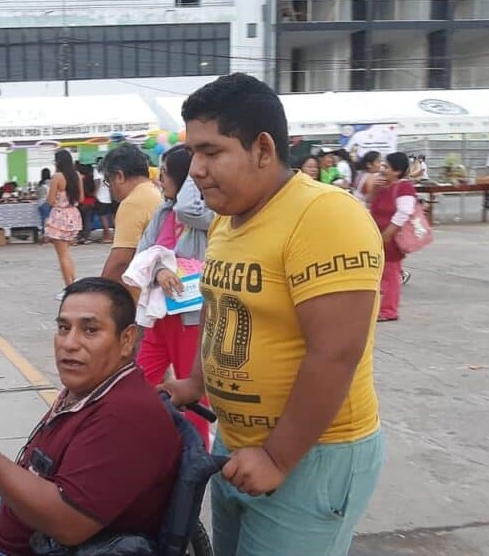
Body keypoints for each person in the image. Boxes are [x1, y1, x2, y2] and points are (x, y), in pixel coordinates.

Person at [162, 73, 384, 556]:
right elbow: (221, 310)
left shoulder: (325, 216)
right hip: (238, 445)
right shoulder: (228, 217)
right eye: (193, 153)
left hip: (311, 457)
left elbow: (335, 354)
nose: (195, 168)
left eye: (211, 151)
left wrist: (278, 457)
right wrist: (194, 385)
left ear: (263, 148)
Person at [0, 278, 182, 556]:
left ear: (127, 340)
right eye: (63, 328)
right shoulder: (91, 386)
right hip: (25, 527)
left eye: (90, 330)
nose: (69, 343)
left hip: (43, 546)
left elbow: (68, 524)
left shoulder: (125, 416)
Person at [133, 145, 212, 448]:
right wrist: (159, 272)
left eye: (164, 174)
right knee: (140, 381)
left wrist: (193, 172)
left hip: (191, 318)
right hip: (159, 315)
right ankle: (149, 446)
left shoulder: (205, 215)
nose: (159, 180)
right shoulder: (163, 212)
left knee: (191, 394)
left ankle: (195, 459)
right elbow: (143, 254)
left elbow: (187, 208)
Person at [101, 143, 164, 289]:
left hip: (143, 291)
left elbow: (120, 260)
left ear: (119, 176)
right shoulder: (153, 191)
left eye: (108, 181)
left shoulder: (133, 202)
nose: (110, 189)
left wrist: (100, 293)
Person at [368, 152, 417, 322]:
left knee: (390, 274)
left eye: (386, 167)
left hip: (390, 237)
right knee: (383, 273)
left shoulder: (404, 187)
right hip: (379, 234)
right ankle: (383, 307)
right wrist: (374, 189)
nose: (383, 170)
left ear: (397, 171)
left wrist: (389, 233)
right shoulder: (384, 185)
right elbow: (368, 202)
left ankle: (389, 310)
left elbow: (405, 211)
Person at [45, 150, 83, 298]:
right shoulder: (77, 176)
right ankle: (72, 282)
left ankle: (69, 288)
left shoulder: (57, 177)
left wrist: (57, 200)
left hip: (59, 216)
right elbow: (81, 197)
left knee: (62, 256)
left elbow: (49, 200)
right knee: (66, 253)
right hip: (73, 214)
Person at [93, 166, 114, 243]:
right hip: (112, 196)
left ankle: (107, 235)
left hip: (101, 196)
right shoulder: (111, 168)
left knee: (103, 216)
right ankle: (115, 236)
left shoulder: (97, 169)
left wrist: (95, 192)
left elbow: (97, 181)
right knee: (113, 216)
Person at [36, 168, 52, 239]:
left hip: (40, 203)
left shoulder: (40, 183)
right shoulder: (50, 182)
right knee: (48, 220)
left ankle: (43, 234)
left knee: (43, 219)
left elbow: (37, 194)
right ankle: (47, 235)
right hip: (47, 202)